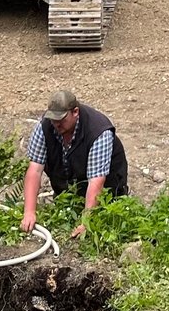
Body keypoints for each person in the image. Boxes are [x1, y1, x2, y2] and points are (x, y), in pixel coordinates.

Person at [20, 89, 129, 239]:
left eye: (62, 120)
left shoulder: (99, 131)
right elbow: (35, 170)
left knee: (106, 222)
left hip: (107, 196)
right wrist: (29, 212)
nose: (56, 124)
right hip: (68, 196)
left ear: (75, 112)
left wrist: (86, 222)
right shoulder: (44, 126)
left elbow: (96, 181)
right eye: (53, 119)